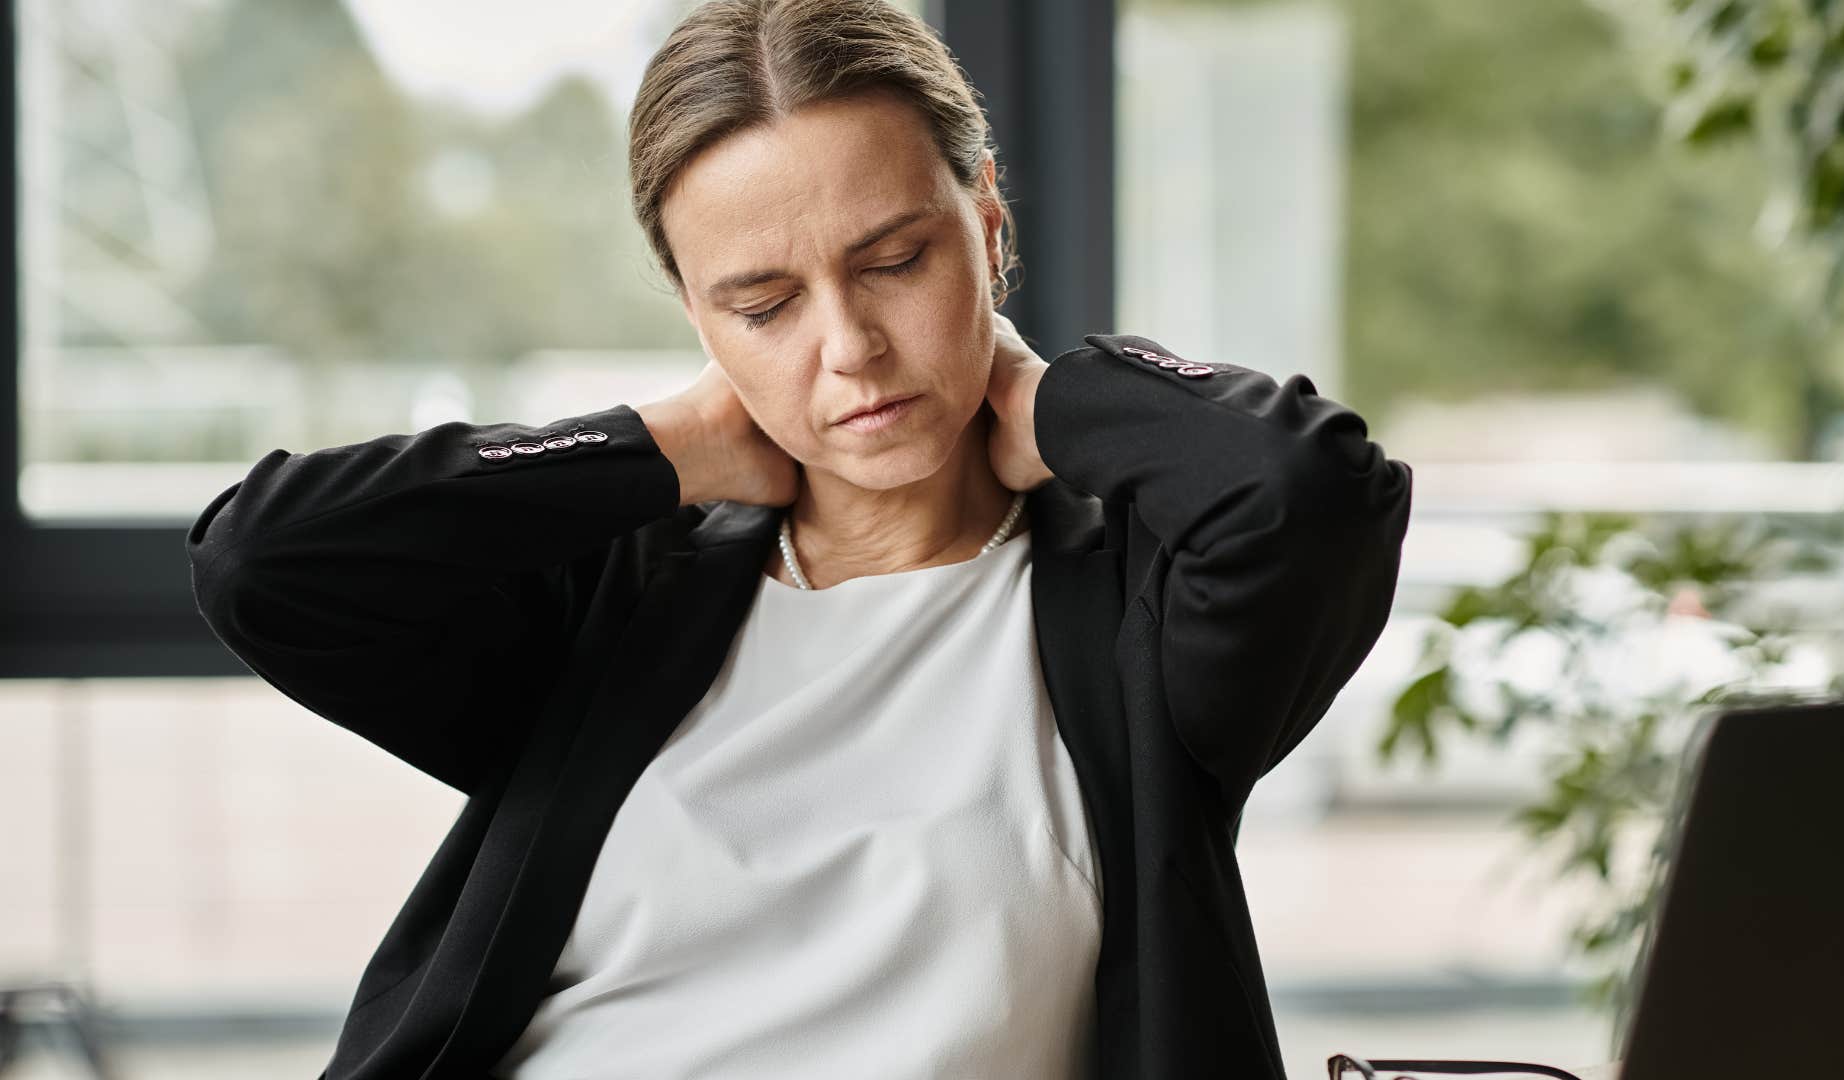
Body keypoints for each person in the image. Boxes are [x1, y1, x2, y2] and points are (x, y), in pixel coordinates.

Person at [183, 1, 1414, 1077]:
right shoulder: (615, 612)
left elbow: (1306, 486)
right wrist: (666, 446)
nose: (848, 348)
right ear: (696, 319)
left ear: (987, 223)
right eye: (762, 304)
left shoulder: (1138, 622)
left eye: (893, 261)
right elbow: (267, 559)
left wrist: (1049, 401)